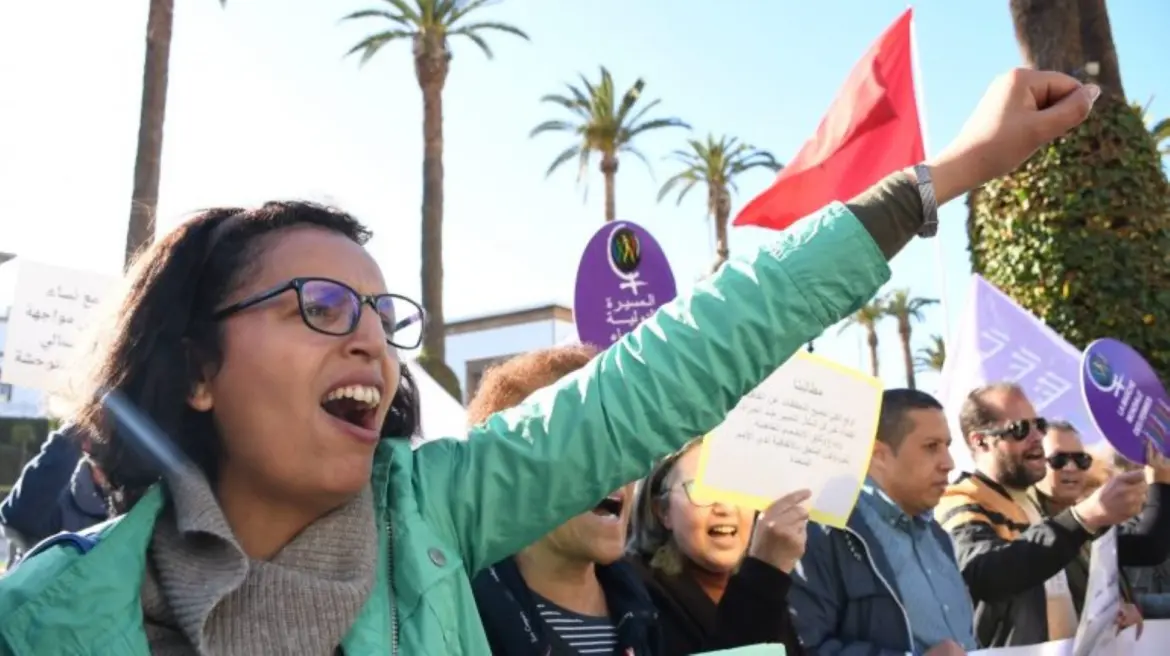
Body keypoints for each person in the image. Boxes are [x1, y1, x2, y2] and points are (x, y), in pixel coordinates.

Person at [0, 68, 1100, 655]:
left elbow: (682, 355)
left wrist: (943, 175)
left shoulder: (433, 510)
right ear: (195, 366)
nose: (370, 342)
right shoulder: (48, 610)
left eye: (387, 317)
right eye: (322, 304)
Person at [936, 383, 1167, 648]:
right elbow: (986, 573)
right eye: (1020, 429)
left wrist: (1117, 610)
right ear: (980, 441)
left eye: (1039, 426)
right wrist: (1084, 517)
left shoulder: (1031, 504)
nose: (1037, 438)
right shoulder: (962, 499)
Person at [468, 346, 660, 655]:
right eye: (584, 443)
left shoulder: (643, 608)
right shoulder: (462, 619)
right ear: (509, 470)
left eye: (627, 441)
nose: (617, 466)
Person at [789, 389, 975, 656]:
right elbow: (807, 648)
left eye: (947, 446)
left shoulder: (938, 536)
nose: (948, 463)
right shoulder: (823, 534)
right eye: (931, 447)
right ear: (879, 455)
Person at [628, 438, 809, 655]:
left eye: (738, 489)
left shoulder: (763, 585)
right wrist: (764, 575)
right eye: (703, 491)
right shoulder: (638, 592)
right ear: (663, 511)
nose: (725, 507)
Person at [0, 423, 108, 566]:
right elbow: (18, 517)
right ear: (86, 444)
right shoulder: (58, 499)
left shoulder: (141, 504)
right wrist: (68, 440)